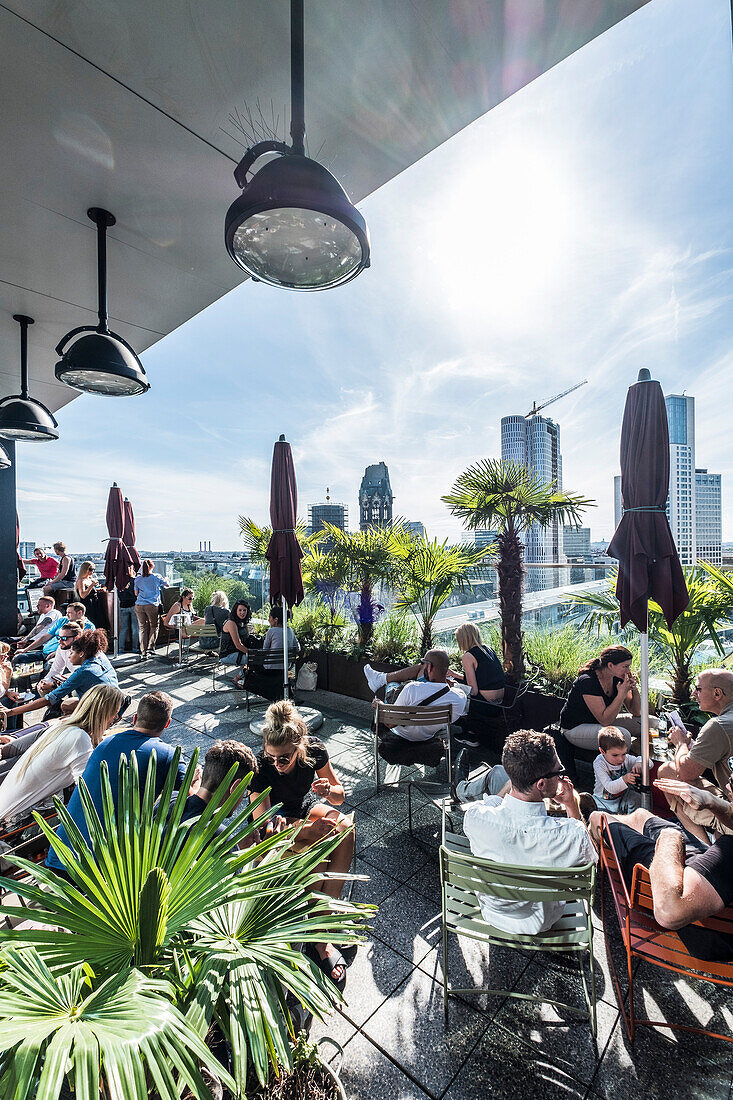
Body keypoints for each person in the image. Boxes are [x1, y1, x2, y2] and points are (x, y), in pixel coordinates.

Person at [249, 700, 354, 984]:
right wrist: (307, 830)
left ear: (299, 749)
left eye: (283, 758)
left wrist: (328, 791)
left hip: (302, 808)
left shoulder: (315, 750)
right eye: (271, 757)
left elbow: (339, 796)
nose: (276, 764)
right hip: (276, 823)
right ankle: (320, 936)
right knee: (317, 852)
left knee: (345, 828)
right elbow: (266, 826)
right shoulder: (260, 766)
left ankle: (323, 915)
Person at [462, 729, 596, 934]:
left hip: (491, 910)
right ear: (541, 784)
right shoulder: (568, 835)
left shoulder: (475, 817)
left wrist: (518, 779)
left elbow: (496, 804)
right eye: (559, 772)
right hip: (538, 920)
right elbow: (588, 860)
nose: (561, 775)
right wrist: (572, 806)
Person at [46, 690, 188, 875]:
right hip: (97, 873)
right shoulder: (167, 755)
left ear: (135, 717)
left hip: (58, 859)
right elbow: (187, 800)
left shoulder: (107, 742)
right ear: (167, 723)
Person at [590, 778, 733, 962]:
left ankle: (593, 854)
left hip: (702, 933)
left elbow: (668, 912)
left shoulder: (729, 850)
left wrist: (670, 838)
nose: (728, 786)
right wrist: (715, 803)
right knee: (641, 815)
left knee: (597, 818)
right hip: (706, 875)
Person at [0, 684, 124, 826]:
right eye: (114, 712)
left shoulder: (63, 725)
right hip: (14, 823)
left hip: (8, 811)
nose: (115, 717)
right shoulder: (79, 738)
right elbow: (87, 793)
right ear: (102, 712)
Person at [656, 669, 733, 845]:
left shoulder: (718, 726)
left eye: (697, 689)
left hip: (730, 812)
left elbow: (686, 773)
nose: (693, 694)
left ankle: (703, 846)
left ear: (717, 693)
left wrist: (680, 743)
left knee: (667, 772)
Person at [371, 649, 468, 766]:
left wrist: (380, 705)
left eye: (423, 663)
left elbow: (390, 723)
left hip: (399, 736)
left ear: (429, 667)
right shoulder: (459, 697)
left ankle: (382, 685)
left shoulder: (412, 689)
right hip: (428, 737)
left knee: (392, 686)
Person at [2, 629, 119, 724]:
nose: (69, 657)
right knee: (65, 706)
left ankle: (85, 724)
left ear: (82, 654)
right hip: (115, 702)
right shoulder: (97, 656)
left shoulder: (84, 671)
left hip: (107, 709)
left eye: (72, 653)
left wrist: (11, 712)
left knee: (59, 723)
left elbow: (48, 699)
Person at [165, 738, 258, 846]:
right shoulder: (217, 837)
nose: (242, 797)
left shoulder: (168, 802)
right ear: (236, 787)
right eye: (244, 790)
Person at [559, 646, 651, 751]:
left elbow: (636, 712)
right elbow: (605, 721)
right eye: (625, 666)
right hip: (575, 728)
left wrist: (634, 689)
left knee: (650, 723)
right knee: (622, 736)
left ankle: (644, 760)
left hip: (598, 723)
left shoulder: (618, 678)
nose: (628, 670)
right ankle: (625, 764)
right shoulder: (588, 681)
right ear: (610, 665)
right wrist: (622, 693)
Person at [590, 726, 643, 814]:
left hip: (622, 798)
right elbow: (610, 788)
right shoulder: (599, 763)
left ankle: (633, 821)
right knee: (600, 816)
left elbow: (649, 762)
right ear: (602, 751)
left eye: (623, 754)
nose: (620, 759)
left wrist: (639, 763)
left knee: (636, 797)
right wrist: (625, 779)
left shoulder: (626, 759)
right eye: (615, 755)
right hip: (603, 801)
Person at [219, 600, 261, 688]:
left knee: (258, 659)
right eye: (240, 610)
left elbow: (247, 639)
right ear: (235, 611)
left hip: (238, 653)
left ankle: (245, 680)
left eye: (244, 610)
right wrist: (252, 653)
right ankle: (239, 679)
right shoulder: (231, 623)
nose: (242, 613)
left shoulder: (243, 623)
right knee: (256, 660)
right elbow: (238, 645)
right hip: (227, 655)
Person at [134, 559, 168, 659]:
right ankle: (150, 647)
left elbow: (136, 593)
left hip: (139, 605)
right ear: (152, 566)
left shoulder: (138, 579)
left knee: (142, 628)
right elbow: (166, 585)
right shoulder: (157, 577)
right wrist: (166, 579)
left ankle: (143, 653)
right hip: (152, 605)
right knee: (154, 626)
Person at [12, 596, 61, 662]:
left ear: (47, 606)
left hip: (39, 644)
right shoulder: (43, 614)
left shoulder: (54, 613)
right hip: (32, 640)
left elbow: (40, 626)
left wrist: (26, 639)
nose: (37, 606)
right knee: (5, 640)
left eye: (39, 605)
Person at [262, 604, 300, 670]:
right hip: (286, 668)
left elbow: (265, 650)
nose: (268, 620)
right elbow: (298, 648)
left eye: (270, 617)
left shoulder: (271, 631)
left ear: (275, 619)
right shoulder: (290, 631)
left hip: (270, 667)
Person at [74, 560, 106, 628]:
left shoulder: (90, 579)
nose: (92, 571)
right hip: (87, 605)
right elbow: (83, 595)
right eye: (90, 569)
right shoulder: (81, 580)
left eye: (93, 569)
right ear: (85, 569)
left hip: (94, 604)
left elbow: (89, 591)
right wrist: (91, 586)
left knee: (99, 622)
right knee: (92, 623)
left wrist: (97, 590)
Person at [118, 567, 140, 656]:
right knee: (135, 628)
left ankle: (120, 649)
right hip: (134, 605)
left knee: (123, 629)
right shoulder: (135, 581)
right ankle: (135, 648)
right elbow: (137, 593)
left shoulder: (119, 582)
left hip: (123, 606)